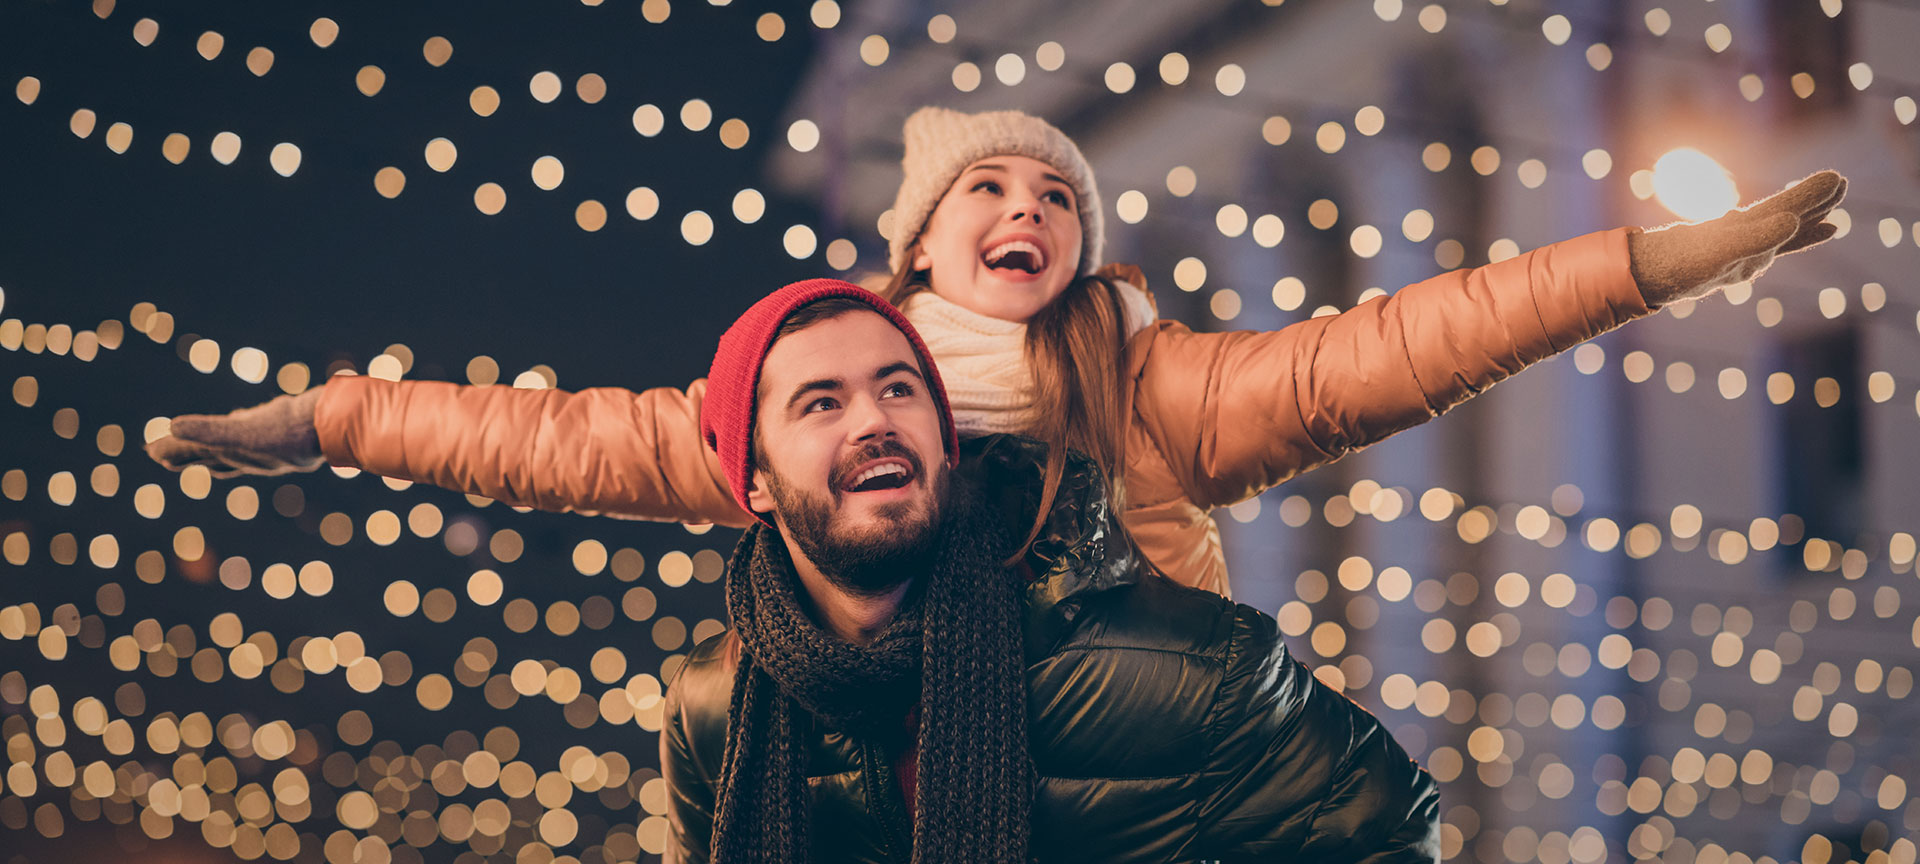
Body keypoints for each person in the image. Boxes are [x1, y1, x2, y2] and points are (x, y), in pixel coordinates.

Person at [146, 107, 1847, 597]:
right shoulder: (807, 396)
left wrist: (1646, 264)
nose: (1029, 207)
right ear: (921, 235)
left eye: (1058, 195)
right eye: (990, 185)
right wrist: (327, 419)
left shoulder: (1146, 383)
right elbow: (549, 438)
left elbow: (1396, 348)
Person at [660, 278, 1439, 862]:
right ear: (753, 479)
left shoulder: (1189, 666)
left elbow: (1386, 829)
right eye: (821, 404)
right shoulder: (710, 706)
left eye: (899, 389)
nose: (874, 420)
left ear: (943, 438)